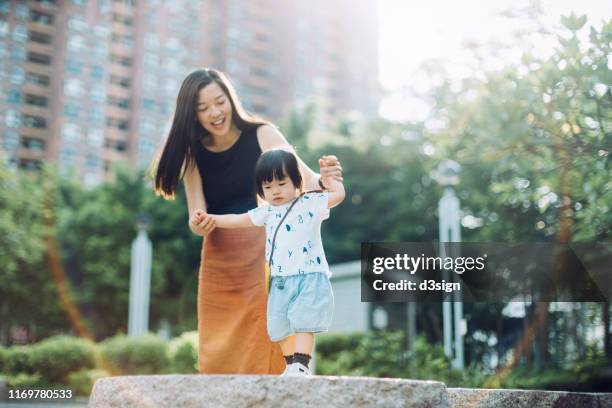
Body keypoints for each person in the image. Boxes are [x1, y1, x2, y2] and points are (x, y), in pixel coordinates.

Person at [153, 68, 343, 374]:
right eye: (203, 108)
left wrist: (329, 179)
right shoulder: (192, 155)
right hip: (217, 255)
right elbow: (195, 214)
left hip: (261, 249)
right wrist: (198, 223)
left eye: (219, 101)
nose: (214, 112)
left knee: (265, 329)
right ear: (193, 115)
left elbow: (306, 181)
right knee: (217, 340)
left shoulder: (262, 134)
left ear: (230, 98)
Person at [194, 149, 345, 376]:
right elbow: (239, 219)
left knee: (305, 320)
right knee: (279, 324)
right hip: (279, 280)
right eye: (268, 186)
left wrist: (330, 179)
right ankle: (291, 365)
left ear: (296, 181)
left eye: (281, 183)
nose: (275, 191)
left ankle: (302, 365)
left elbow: (338, 195)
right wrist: (211, 218)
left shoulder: (310, 202)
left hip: (309, 274)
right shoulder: (266, 212)